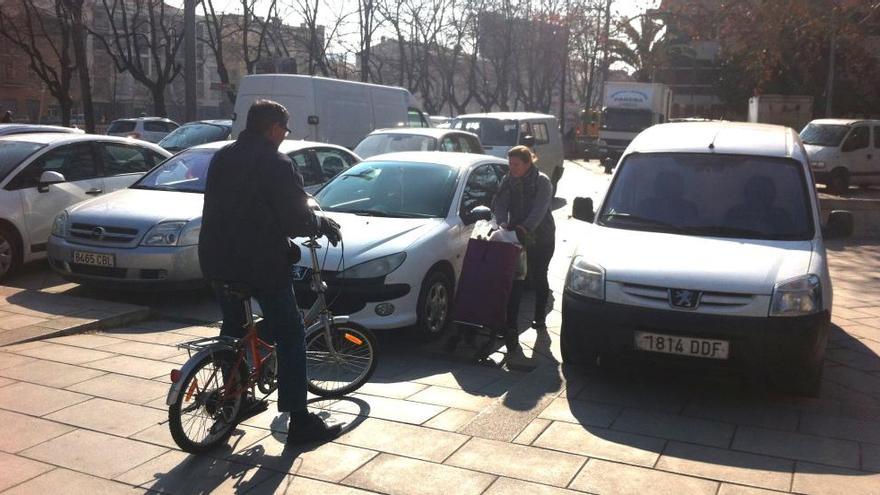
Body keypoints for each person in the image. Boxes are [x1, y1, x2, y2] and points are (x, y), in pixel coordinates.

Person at [199, 99, 343, 444]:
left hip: (217, 260)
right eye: (285, 129)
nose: (285, 135)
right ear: (274, 128)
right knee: (291, 334)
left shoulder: (223, 155)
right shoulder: (276, 162)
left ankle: (236, 399)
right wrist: (318, 223)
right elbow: (296, 217)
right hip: (260, 264)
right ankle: (300, 420)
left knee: (234, 329)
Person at [492, 145, 556, 356]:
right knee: (517, 279)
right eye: (510, 164)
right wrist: (502, 222)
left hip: (541, 236)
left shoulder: (542, 181)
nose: (512, 168)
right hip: (516, 235)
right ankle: (510, 324)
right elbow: (500, 203)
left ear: (528, 163)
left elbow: (540, 210)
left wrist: (524, 228)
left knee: (538, 275)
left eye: (516, 164)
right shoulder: (508, 180)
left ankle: (539, 315)